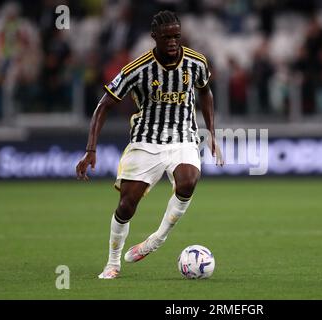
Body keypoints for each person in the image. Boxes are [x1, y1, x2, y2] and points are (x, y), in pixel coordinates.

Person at [76, 10, 223, 279]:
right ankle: (112, 263)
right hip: (146, 141)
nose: (172, 42)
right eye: (166, 37)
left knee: (189, 180)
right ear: (154, 37)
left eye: (176, 36)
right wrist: (90, 149)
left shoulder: (196, 62)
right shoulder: (137, 69)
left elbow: (205, 91)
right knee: (126, 206)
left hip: (183, 137)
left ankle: (157, 239)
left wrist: (212, 132)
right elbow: (103, 106)